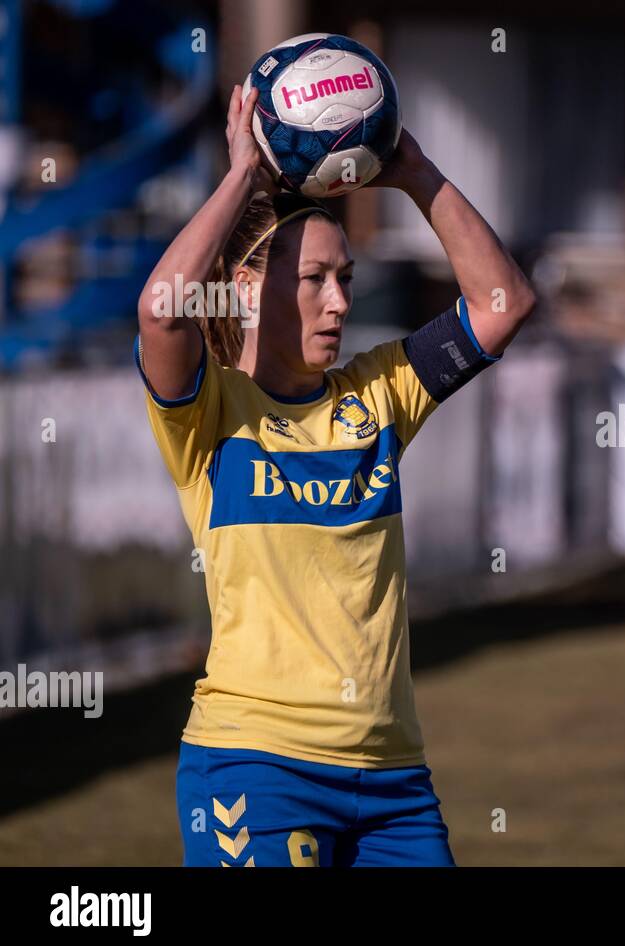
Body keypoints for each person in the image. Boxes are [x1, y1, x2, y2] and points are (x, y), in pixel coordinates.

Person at [135, 84, 535, 866]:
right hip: (258, 765)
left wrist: (417, 173)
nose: (338, 302)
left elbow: (503, 303)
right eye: (313, 278)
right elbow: (162, 310)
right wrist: (245, 177)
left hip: (393, 781)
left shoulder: (379, 394)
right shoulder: (211, 411)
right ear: (247, 288)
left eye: (345, 278)